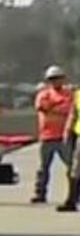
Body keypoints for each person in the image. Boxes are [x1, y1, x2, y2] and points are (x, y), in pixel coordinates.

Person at [31, 65, 73, 204]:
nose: (55, 81)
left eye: (58, 78)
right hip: (47, 136)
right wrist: (59, 108)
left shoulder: (70, 94)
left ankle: (74, 194)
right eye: (52, 79)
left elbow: (69, 110)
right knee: (43, 168)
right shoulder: (44, 94)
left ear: (63, 79)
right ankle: (40, 193)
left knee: (72, 167)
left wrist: (55, 107)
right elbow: (43, 108)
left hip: (64, 137)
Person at [57, 88, 80, 212]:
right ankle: (72, 200)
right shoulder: (78, 94)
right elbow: (73, 114)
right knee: (75, 170)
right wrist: (67, 130)